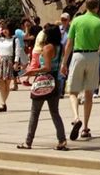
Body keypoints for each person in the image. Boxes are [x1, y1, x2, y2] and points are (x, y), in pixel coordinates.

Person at [60, 0, 100, 141]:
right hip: (94, 56)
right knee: (89, 93)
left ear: (85, 6)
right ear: (97, 7)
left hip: (78, 55)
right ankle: (85, 127)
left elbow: (69, 43)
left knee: (73, 91)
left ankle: (76, 117)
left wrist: (64, 63)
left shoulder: (77, 21)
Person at [16, 23, 68, 151]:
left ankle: (28, 141)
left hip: (43, 80)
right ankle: (62, 140)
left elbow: (47, 67)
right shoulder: (60, 47)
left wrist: (31, 72)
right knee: (55, 112)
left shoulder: (47, 48)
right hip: (55, 80)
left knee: (35, 112)